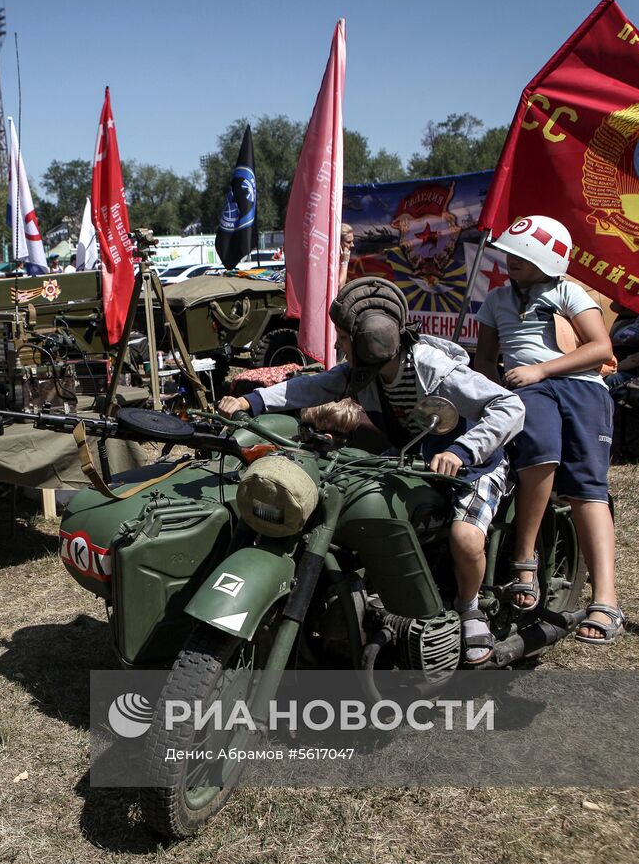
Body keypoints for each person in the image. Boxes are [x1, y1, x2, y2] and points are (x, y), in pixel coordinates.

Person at [219, 277, 525, 664]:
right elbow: (312, 388)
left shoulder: (434, 369)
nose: (337, 346)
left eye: (344, 339)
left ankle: (469, 607)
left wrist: (463, 450)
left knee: (465, 538)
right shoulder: (365, 371)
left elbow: (510, 406)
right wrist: (253, 400)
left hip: (472, 467)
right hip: (411, 461)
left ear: (370, 342)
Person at [474, 215, 623, 645]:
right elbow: (485, 358)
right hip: (526, 387)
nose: (509, 260)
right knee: (539, 451)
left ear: (547, 260)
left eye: (520, 255)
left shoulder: (568, 291)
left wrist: (541, 369)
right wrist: (482, 392)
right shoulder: (496, 299)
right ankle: (524, 560)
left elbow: (601, 348)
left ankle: (607, 600)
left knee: (588, 488)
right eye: (509, 252)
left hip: (580, 388)